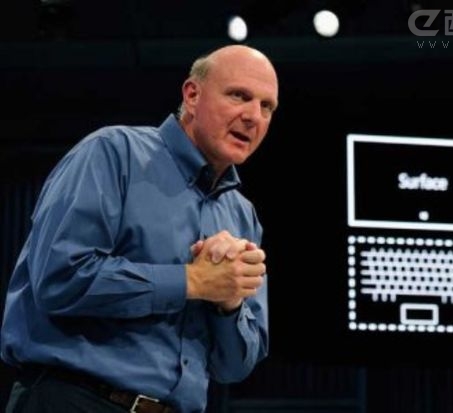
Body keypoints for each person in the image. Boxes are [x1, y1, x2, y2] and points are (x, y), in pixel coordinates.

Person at [1, 44, 278, 413]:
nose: (253, 116)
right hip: (74, 399)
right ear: (192, 95)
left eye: (266, 106)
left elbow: (234, 367)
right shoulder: (113, 153)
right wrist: (191, 281)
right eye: (239, 96)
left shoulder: (242, 215)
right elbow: (59, 278)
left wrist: (228, 302)